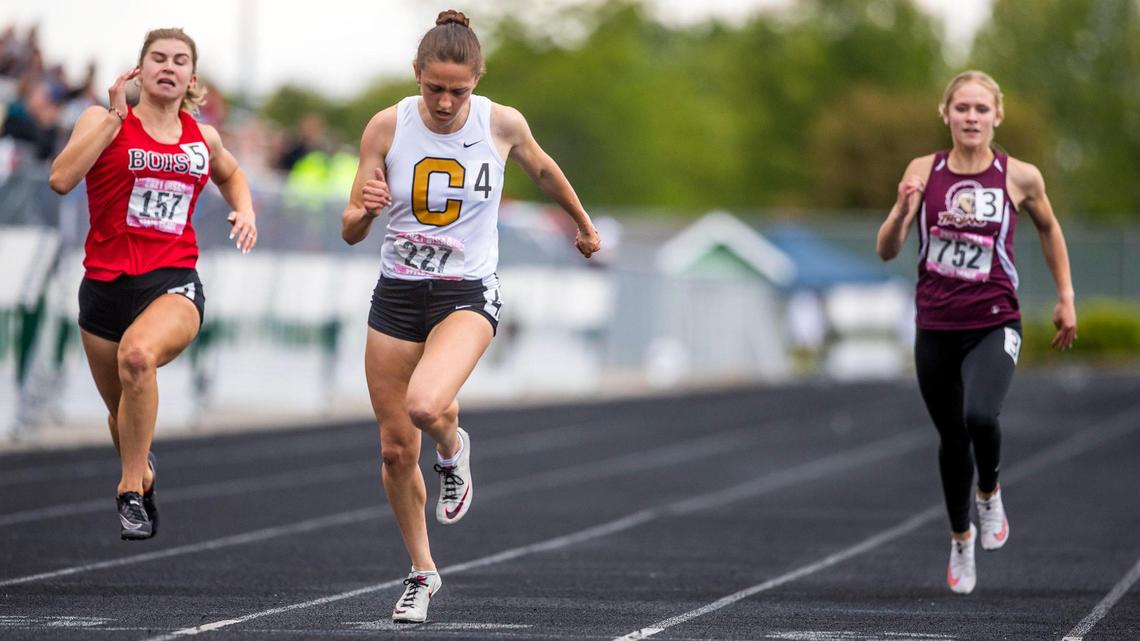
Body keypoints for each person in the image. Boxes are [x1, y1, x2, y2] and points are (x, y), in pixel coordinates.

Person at [342, 9, 601, 623]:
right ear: (417, 76)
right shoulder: (386, 126)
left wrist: (584, 225)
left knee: (426, 406)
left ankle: (453, 450)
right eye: (434, 88)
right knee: (394, 450)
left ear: (478, 81)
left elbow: (542, 169)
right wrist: (366, 210)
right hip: (398, 291)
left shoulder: (501, 122)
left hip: (466, 289)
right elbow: (351, 227)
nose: (444, 102)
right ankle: (422, 572)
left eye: (459, 90)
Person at [49, 28, 257, 540]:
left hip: (173, 281)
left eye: (179, 60)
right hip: (103, 287)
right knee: (123, 412)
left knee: (138, 358)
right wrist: (117, 118)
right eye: (158, 58)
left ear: (191, 76)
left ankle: (129, 493)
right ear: (139, 69)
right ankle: (141, 471)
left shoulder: (202, 137)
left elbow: (231, 173)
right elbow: (60, 178)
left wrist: (244, 209)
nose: (169, 66)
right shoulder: (102, 121)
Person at [876, 70, 1077, 594]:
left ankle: (989, 494)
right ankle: (961, 538)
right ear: (945, 114)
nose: (971, 117)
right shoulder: (923, 170)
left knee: (980, 415)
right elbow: (887, 249)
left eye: (981, 109)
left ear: (997, 117)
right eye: (962, 108)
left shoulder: (1020, 176)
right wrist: (902, 209)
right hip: (936, 325)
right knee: (952, 437)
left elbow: (1049, 227)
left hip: (994, 320)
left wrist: (1066, 297)